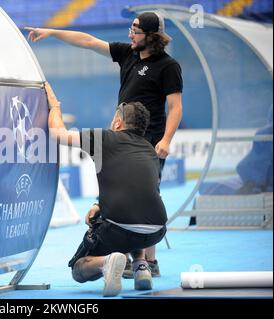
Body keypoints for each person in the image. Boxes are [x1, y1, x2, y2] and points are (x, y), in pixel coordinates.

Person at [27, 11, 183, 276]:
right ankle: (139, 261)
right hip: (124, 135)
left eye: (136, 29)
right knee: (122, 190)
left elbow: (175, 106)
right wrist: (52, 32)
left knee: (148, 191)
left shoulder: (168, 66)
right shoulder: (128, 54)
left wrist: (166, 140)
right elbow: (87, 41)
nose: (130, 33)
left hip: (149, 141)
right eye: (131, 28)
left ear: (152, 36)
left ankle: (149, 262)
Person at [45, 82, 167, 297]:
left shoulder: (103, 138)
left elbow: (58, 133)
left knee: (79, 268)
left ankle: (107, 262)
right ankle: (141, 265)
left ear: (118, 122)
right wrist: (98, 204)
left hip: (122, 230)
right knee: (131, 223)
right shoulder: (149, 148)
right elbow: (137, 188)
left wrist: (55, 106)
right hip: (156, 231)